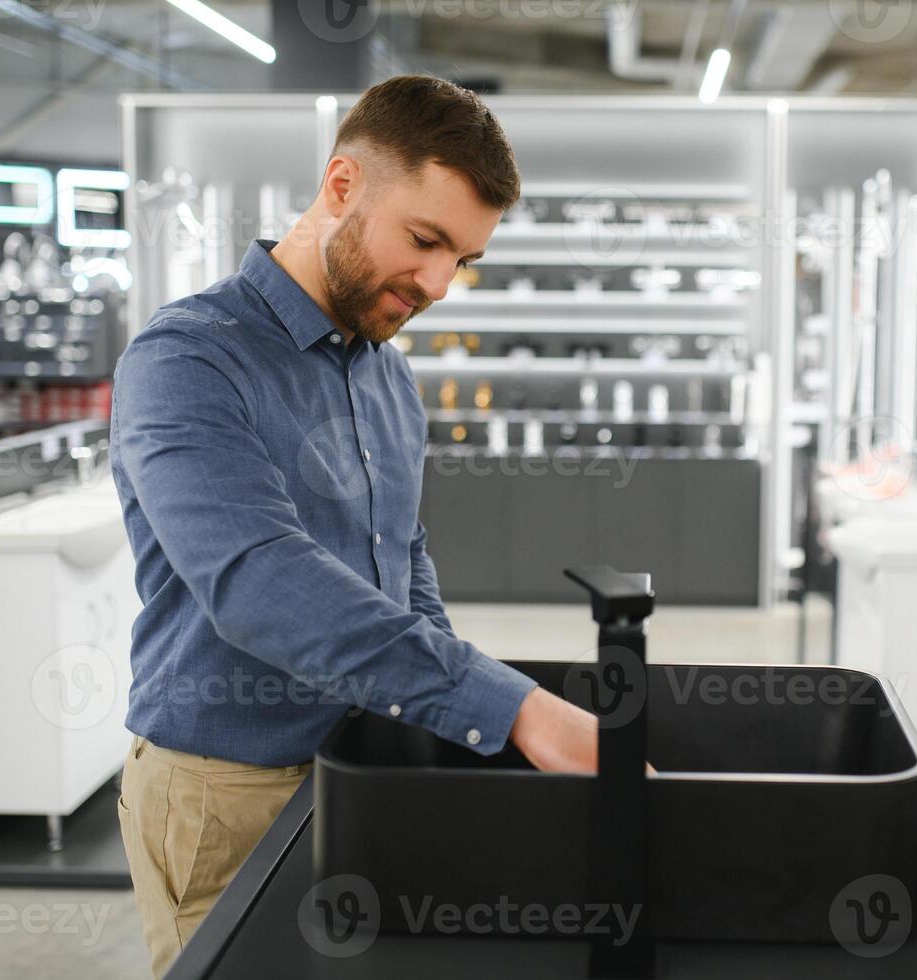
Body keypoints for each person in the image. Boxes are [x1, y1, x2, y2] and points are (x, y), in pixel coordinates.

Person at [111, 74, 603, 977]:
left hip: (362, 766)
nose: (440, 284)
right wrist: (514, 708)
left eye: (462, 259)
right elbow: (259, 581)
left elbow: (401, 557)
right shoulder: (188, 361)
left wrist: (445, 736)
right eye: (424, 241)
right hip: (226, 789)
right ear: (341, 186)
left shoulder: (385, 375)